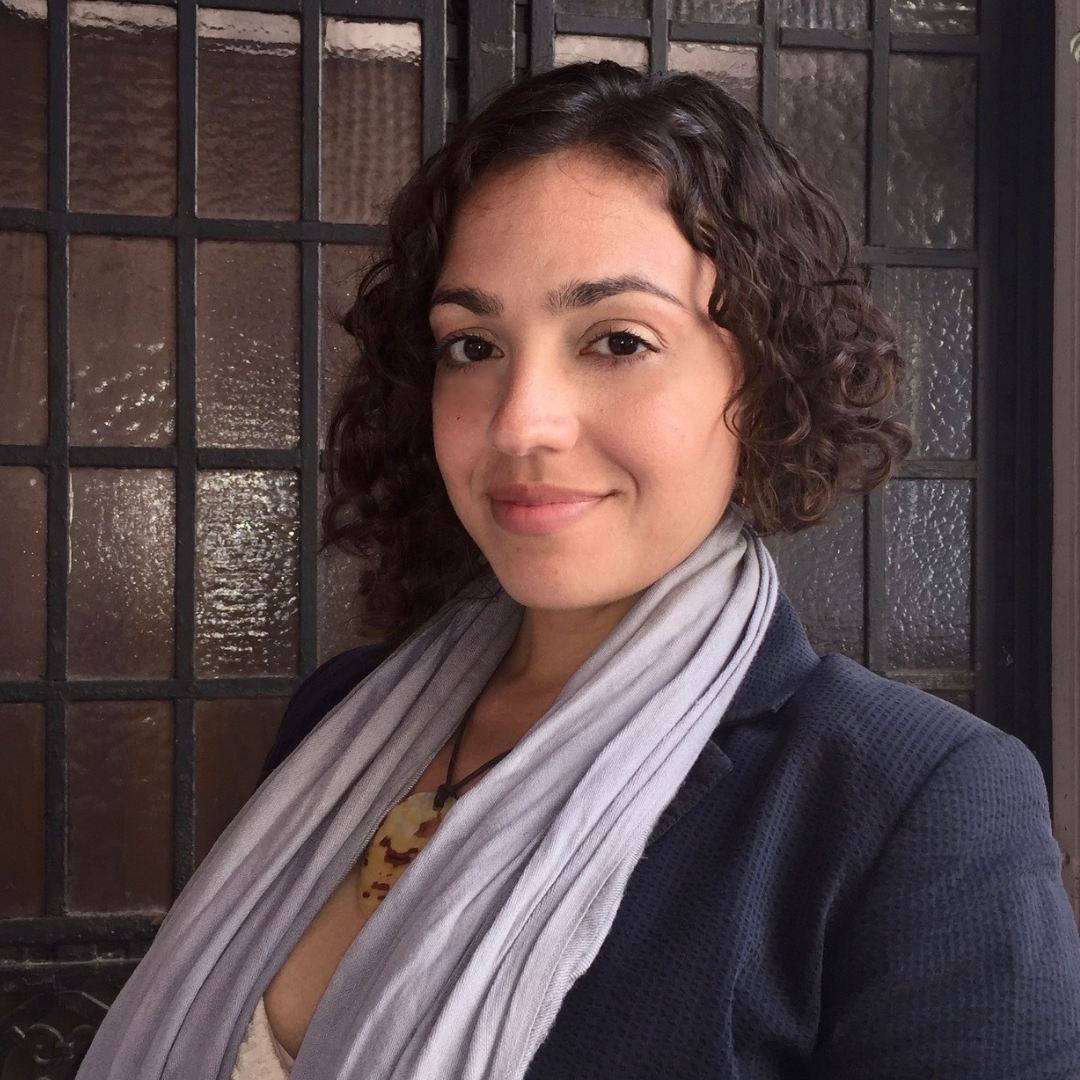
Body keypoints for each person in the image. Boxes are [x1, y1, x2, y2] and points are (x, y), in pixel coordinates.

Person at [77, 61, 1080, 1080]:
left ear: (764, 380)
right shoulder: (341, 713)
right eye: (473, 345)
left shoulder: (906, 805)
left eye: (617, 340)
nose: (521, 423)